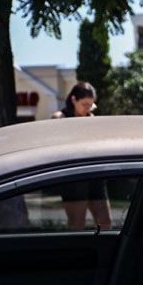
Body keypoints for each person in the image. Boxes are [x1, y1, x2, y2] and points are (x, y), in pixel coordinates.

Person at [52, 82, 111, 230]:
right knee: (77, 223)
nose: (88, 109)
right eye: (84, 104)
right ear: (74, 100)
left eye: (91, 105)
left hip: (94, 173)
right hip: (73, 174)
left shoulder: (91, 118)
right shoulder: (60, 118)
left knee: (105, 221)